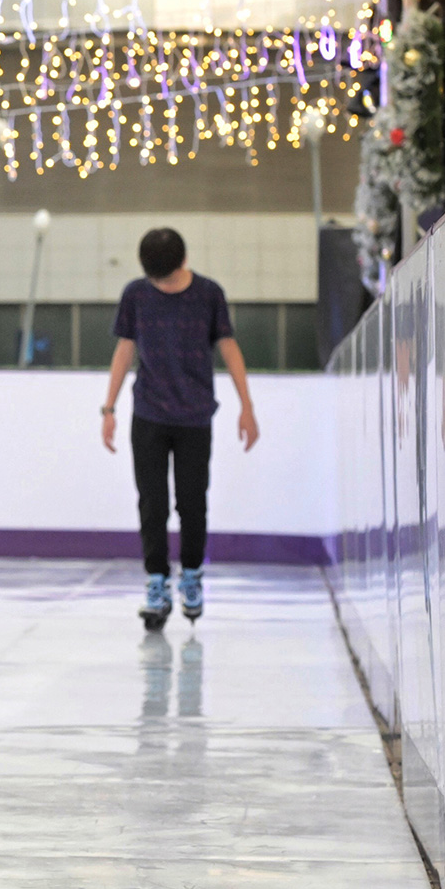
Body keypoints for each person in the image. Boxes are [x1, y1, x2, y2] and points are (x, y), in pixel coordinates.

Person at [101, 227, 259, 628]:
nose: (162, 286)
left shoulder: (208, 294)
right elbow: (125, 348)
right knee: (151, 502)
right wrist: (109, 408)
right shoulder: (136, 294)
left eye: (167, 278)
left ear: (184, 262)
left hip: (194, 416)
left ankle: (191, 576)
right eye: (157, 280)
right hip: (149, 414)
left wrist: (247, 406)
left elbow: (228, 347)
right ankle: (156, 582)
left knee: (192, 502)